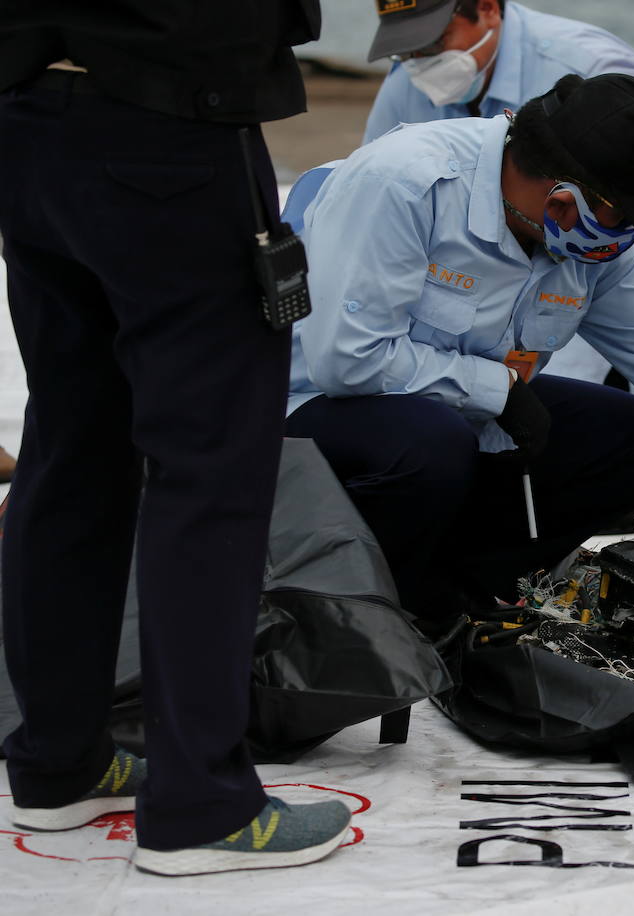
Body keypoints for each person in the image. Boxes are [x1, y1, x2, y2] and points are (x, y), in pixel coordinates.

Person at [0, 2, 351, 876]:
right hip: (169, 112)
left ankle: (58, 761)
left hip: (24, 106)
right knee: (210, 470)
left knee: (71, 446)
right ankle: (200, 801)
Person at [283, 73, 634, 629]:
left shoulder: (594, 240)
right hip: (303, 412)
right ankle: (348, 611)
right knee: (428, 442)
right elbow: (349, 360)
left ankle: (457, 594)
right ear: (564, 201)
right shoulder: (406, 182)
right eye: (625, 215)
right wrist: (496, 389)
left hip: (449, 411)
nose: (628, 236)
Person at [362, 0, 634, 386]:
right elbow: (375, 207)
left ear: (487, 8)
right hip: (458, 297)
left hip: (590, 272)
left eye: (434, 42)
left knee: (613, 412)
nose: (421, 61)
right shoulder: (411, 78)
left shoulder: (592, 72)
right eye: (407, 49)